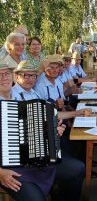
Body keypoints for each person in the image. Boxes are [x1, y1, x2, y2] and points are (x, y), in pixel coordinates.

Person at [11, 60, 87, 201]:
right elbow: (17, 131)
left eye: (33, 76)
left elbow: (50, 115)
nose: (30, 79)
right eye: (25, 75)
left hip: (41, 152)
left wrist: (74, 114)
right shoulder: (10, 97)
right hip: (23, 159)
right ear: (16, 77)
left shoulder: (33, 93)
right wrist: (49, 130)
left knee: (79, 168)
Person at [0, 60, 65, 201]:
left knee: (77, 169)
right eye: (0, 74)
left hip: (35, 158)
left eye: (6, 73)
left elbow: (35, 131)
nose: (4, 77)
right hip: (8, 169)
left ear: (12, 76)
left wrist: (53, 132)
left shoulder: (20, 99)